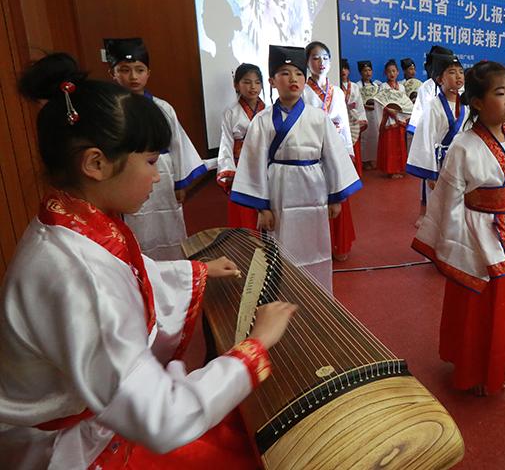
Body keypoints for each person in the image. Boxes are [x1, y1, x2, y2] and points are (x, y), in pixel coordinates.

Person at [0, 52, 296, 469]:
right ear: (96, 163)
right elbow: (162, 418)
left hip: (85, 417)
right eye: (151, 162)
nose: (158, 176)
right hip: (65, 448)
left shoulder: (70, 219)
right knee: (239, 447)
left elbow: (128, 272)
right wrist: (255, 345)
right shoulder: (75, 274)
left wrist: (196, 271)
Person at [411, 61, 505, 396]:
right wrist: (458, 244)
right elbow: (448, 199)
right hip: (474, 236)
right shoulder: (463, 145)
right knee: (475, 305)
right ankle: (471, 366)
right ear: (476, 102)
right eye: (500, 93)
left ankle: (497, 361)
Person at [230, 45, 361, 294]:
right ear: (272, 81)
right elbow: (254, 163)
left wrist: (336, 197)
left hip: (313, 190)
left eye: (299, 73)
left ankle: (318, 297)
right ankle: (282, 296)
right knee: (281, 246)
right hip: (279, 191)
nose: (293, 79)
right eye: (284, 73)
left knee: (316, 247)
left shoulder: (318, 118)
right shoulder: (262, 120)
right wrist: (262, 206)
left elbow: (333, 157)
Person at [105, 38, 207, 260]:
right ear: (112, 73)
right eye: (124, 70)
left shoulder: (163, 108)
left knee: (168, 227)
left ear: (148, 73)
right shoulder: (109, 111)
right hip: (127, 177)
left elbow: (178, 143)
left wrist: (181, 182)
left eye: (139, 70)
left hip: (162, 177)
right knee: (134, 228)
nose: (133, 77)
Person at [304, 42, 357, 262]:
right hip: (313, 149)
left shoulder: (336, 91)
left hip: (335, 149)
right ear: (307, 62)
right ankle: (317, 246)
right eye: (315, 58)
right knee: (315, 196)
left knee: (338, 194)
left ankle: (340, 242)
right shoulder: (304, 91)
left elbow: (343, 122)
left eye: (325, 57)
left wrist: (348, 152)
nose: (321, 62)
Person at [406, 55, 467, 190]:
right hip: (440, 163)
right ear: (440, 79)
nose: (458, 76)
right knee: (439, 204)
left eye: (461, 72)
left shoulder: (466, 106)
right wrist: (430, 173)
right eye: (452, 72)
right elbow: (426, 139)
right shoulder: (433, 106)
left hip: (461, 163)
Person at [217, 63, 265, 229]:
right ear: (236, 84)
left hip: (265, 165)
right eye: (247, 82)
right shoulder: (230, 112)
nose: (253, 87)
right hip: (241, 167)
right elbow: (226, 143)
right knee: (245, 210)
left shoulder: (269, 110)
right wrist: (230, 171)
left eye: (257, 82)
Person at [376, 59, 409, 178]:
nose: (392, 74)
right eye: (389, 71)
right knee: (390, 146)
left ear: (398, 72)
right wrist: (389, 111)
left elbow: (405, 104)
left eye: (394, 71)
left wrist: (399, 113)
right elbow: (380, 103)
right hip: (388, 120)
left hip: (399, 119)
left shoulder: (402, 87)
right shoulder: (383, 87)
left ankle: (400, 168)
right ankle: (391, 170)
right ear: (385, 73)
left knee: (400, 145)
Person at [340, 58, 367, 177]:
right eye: (341, 68)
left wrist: (361, 118)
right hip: (341, 121)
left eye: (345, 68)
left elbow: (359, 104)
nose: (343, 71)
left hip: (353, 119)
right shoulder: (335, 85)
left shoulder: (355, 86)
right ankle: (345, 174)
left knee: (355, 146)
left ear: (349, 71)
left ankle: (356, 173)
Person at [358, 60, 380, 169]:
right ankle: (364, 161)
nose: (368, 73)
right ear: (360, 72)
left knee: (374, 136)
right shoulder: (357, 85)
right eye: (365, 70)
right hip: (364, 113)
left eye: (369, 70)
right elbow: (357, 102)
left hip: (374, 114)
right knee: (365, 137)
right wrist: (365, 106)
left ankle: (372, 159)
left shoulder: (376, 85)